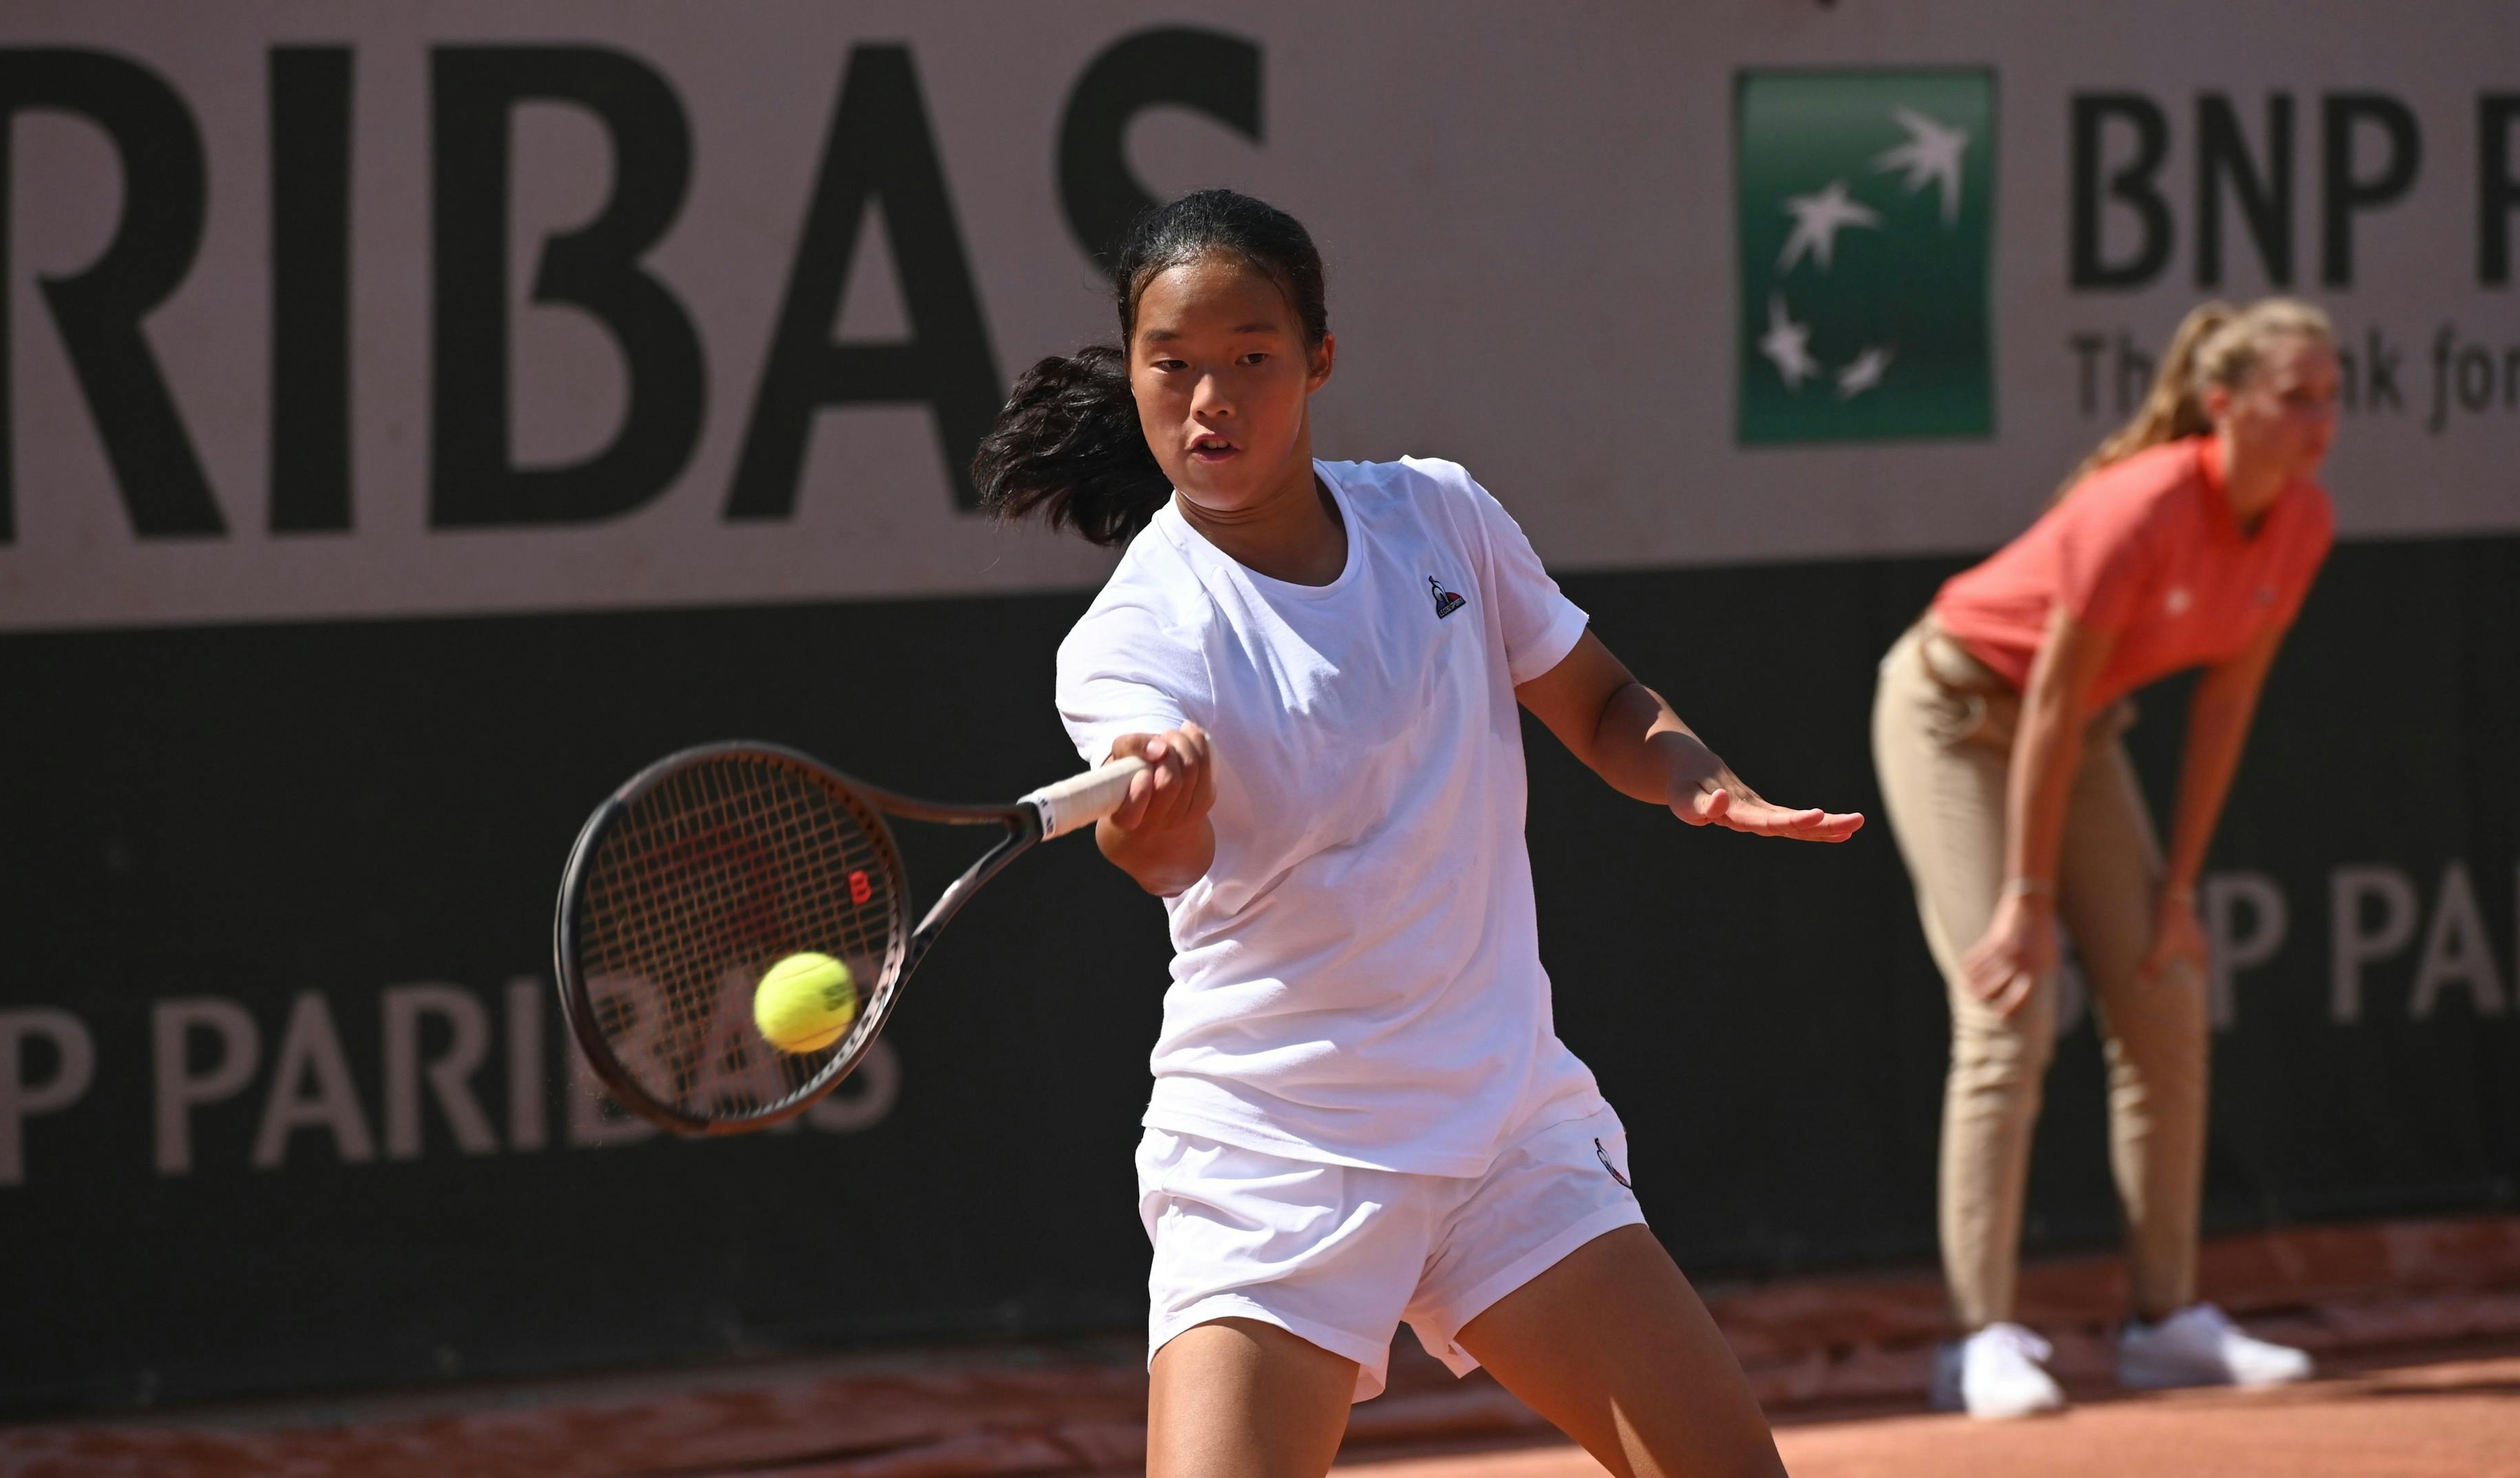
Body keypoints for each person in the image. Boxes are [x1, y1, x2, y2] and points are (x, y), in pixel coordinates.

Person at [973, 188, 1863, 1477]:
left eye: (1251, 361)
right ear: (1135, 370)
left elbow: (1604, 701)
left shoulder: (1439, 517)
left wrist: (1699, 781)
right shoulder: (1134, 637)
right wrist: (1157, 804)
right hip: (1277, 1157)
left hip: (1504, 1130)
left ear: (1319, 361)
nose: (1209, 401)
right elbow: (1158, 859)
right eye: (1173, 367)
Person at [1868, 298, 2339, 1419]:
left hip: (2074, 737)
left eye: (2333, 394)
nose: (2322, 419)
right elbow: (2048, 702)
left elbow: (2228, 703)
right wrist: (2026, 898)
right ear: (2224, 404)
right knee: (2009, 1002)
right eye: (2296, 396)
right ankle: (1973, 1340)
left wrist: (2176, 895)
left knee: (2168, 989)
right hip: (1956, 710)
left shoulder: (2304, 522)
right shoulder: (2135, 508)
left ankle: (2165, 1322)